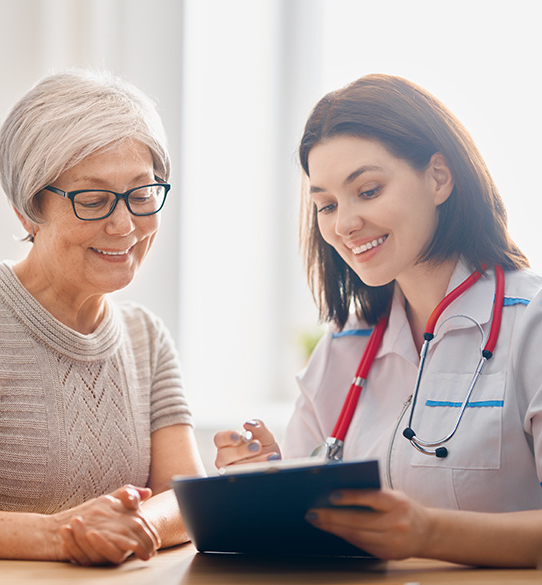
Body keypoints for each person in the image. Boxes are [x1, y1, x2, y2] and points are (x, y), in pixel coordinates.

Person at [214, 73, 542, 567]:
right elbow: (309, 527)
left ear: (438, 178)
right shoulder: (344, 347)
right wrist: (266, 483)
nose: (344, 224)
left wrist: (428, 533)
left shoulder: (530, 324)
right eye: (326, 205)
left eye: (367, 190)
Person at [0, 69, 205, 565]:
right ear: (28, 211)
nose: (124, 225)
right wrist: (62, 535)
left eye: (141, 194)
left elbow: (188, 497)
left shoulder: (146, 338)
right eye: (92, 200)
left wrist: (131, 527)